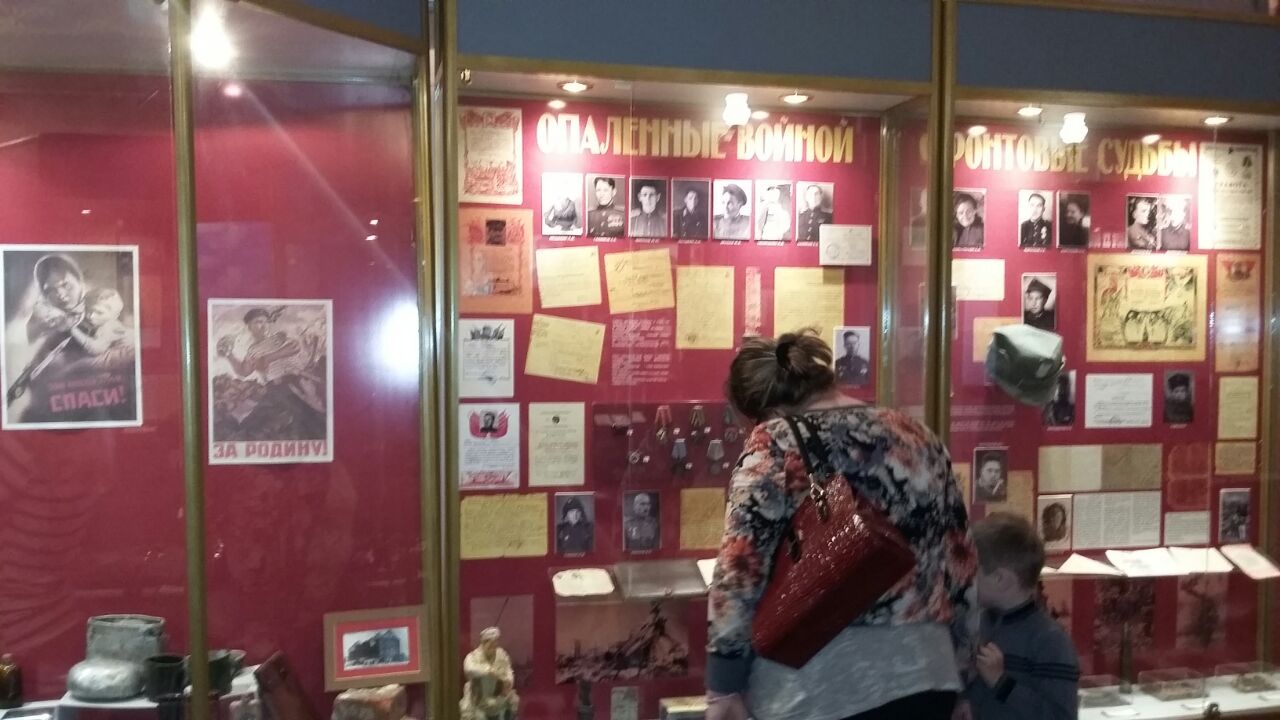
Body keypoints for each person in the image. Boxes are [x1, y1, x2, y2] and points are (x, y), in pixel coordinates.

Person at [706, 330, 977, 720]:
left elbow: (739, 569)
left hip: (815, 686)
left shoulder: (775, 442)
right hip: (927, 675)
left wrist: (724, 684)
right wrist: (964, 673)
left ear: (763, 410)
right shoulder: (915, 433)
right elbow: (961, 560)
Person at [962, 513, 1079, 720]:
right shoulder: (980, 622)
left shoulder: (1050, 641)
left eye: (972, 573)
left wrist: (1001, 682)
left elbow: (1060, 716)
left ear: (1000, 578)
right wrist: (963, 700)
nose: (966, 581)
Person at [215, 307, 326, 441]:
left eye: (265, 322)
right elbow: (244, 372)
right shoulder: (253, 350)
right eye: (258, 322)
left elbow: (294, 347)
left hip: (295, 380)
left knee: (306, 416)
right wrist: (229, 355)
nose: (263, 325)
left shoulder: (279, 337)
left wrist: (268, 358)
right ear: (249, 326)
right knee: (254, 421)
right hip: (275, 386)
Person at [459, 627, 519, 720]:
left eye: (495, 645)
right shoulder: (473, 657)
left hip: (498, 698)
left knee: (512, 703)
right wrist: (488, 670)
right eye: (490, 645)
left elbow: (508, 670)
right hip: (478, 701)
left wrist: (508, 682)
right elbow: (469, 669)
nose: (493, 648)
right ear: (483, 643)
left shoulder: (501, 655)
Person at [68, 288, 134, 369]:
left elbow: (95, 349)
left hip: (117, 356)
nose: (91, 316)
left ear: (114, 315)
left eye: (99, 312)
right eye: (88, 310)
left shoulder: (113, 328)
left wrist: (72, 329)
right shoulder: (97, 321)